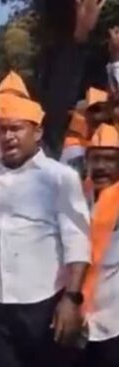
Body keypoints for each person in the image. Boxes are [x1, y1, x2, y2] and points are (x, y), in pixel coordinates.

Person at [0, 93, 90, 367]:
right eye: (3, 130)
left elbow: (77, 240)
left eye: (17, 128)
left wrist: (71, 299)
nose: (8, 136)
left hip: (42, 302)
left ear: (37, 131)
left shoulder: (60, 177)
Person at [81, 124, 119, 366]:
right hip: (78, 316)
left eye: (110, 160)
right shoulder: (76, 194)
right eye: (96, 159)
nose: (102, 167)